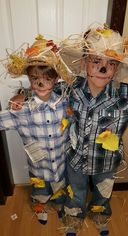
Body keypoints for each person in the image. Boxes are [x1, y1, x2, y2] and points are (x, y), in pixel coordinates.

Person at [57, 25, 128, 236]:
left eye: (110, 64)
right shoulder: (71, 89)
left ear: (116, 69)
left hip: (105, 161)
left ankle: (99, 212)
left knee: (103, 192)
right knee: (77, 191)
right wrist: (21, 95)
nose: (103, 68)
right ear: (84, 63)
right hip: (76, 158)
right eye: (96, 61)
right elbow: (46, 93)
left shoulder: (125, 98)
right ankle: (73, 215)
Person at [0, 35, 74, 225]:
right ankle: (40, 206)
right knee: (39, 190)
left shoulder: (65, 103)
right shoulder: (21, 110)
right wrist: (21, 94)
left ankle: (59, 204)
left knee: (60, 186)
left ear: (56, 78)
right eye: (35, 78)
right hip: (37, 165)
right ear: (28, 78)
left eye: (47, 78)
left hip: (60, 161)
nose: (41, 83)